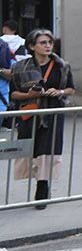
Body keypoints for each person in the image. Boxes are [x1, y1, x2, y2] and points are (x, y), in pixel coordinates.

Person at [8, 28, 73, 207]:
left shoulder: (62, 66)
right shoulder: (20, 67)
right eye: (43, 43)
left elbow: (70, 88)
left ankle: (42, 188)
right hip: (30, 112)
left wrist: (59, 91)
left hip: (52, 112)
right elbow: (13, 94)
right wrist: (29, 94)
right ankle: (38, 181)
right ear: (31, 46)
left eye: (50, 42)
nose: (47, 46)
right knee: (32, 150)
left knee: (47, 150)